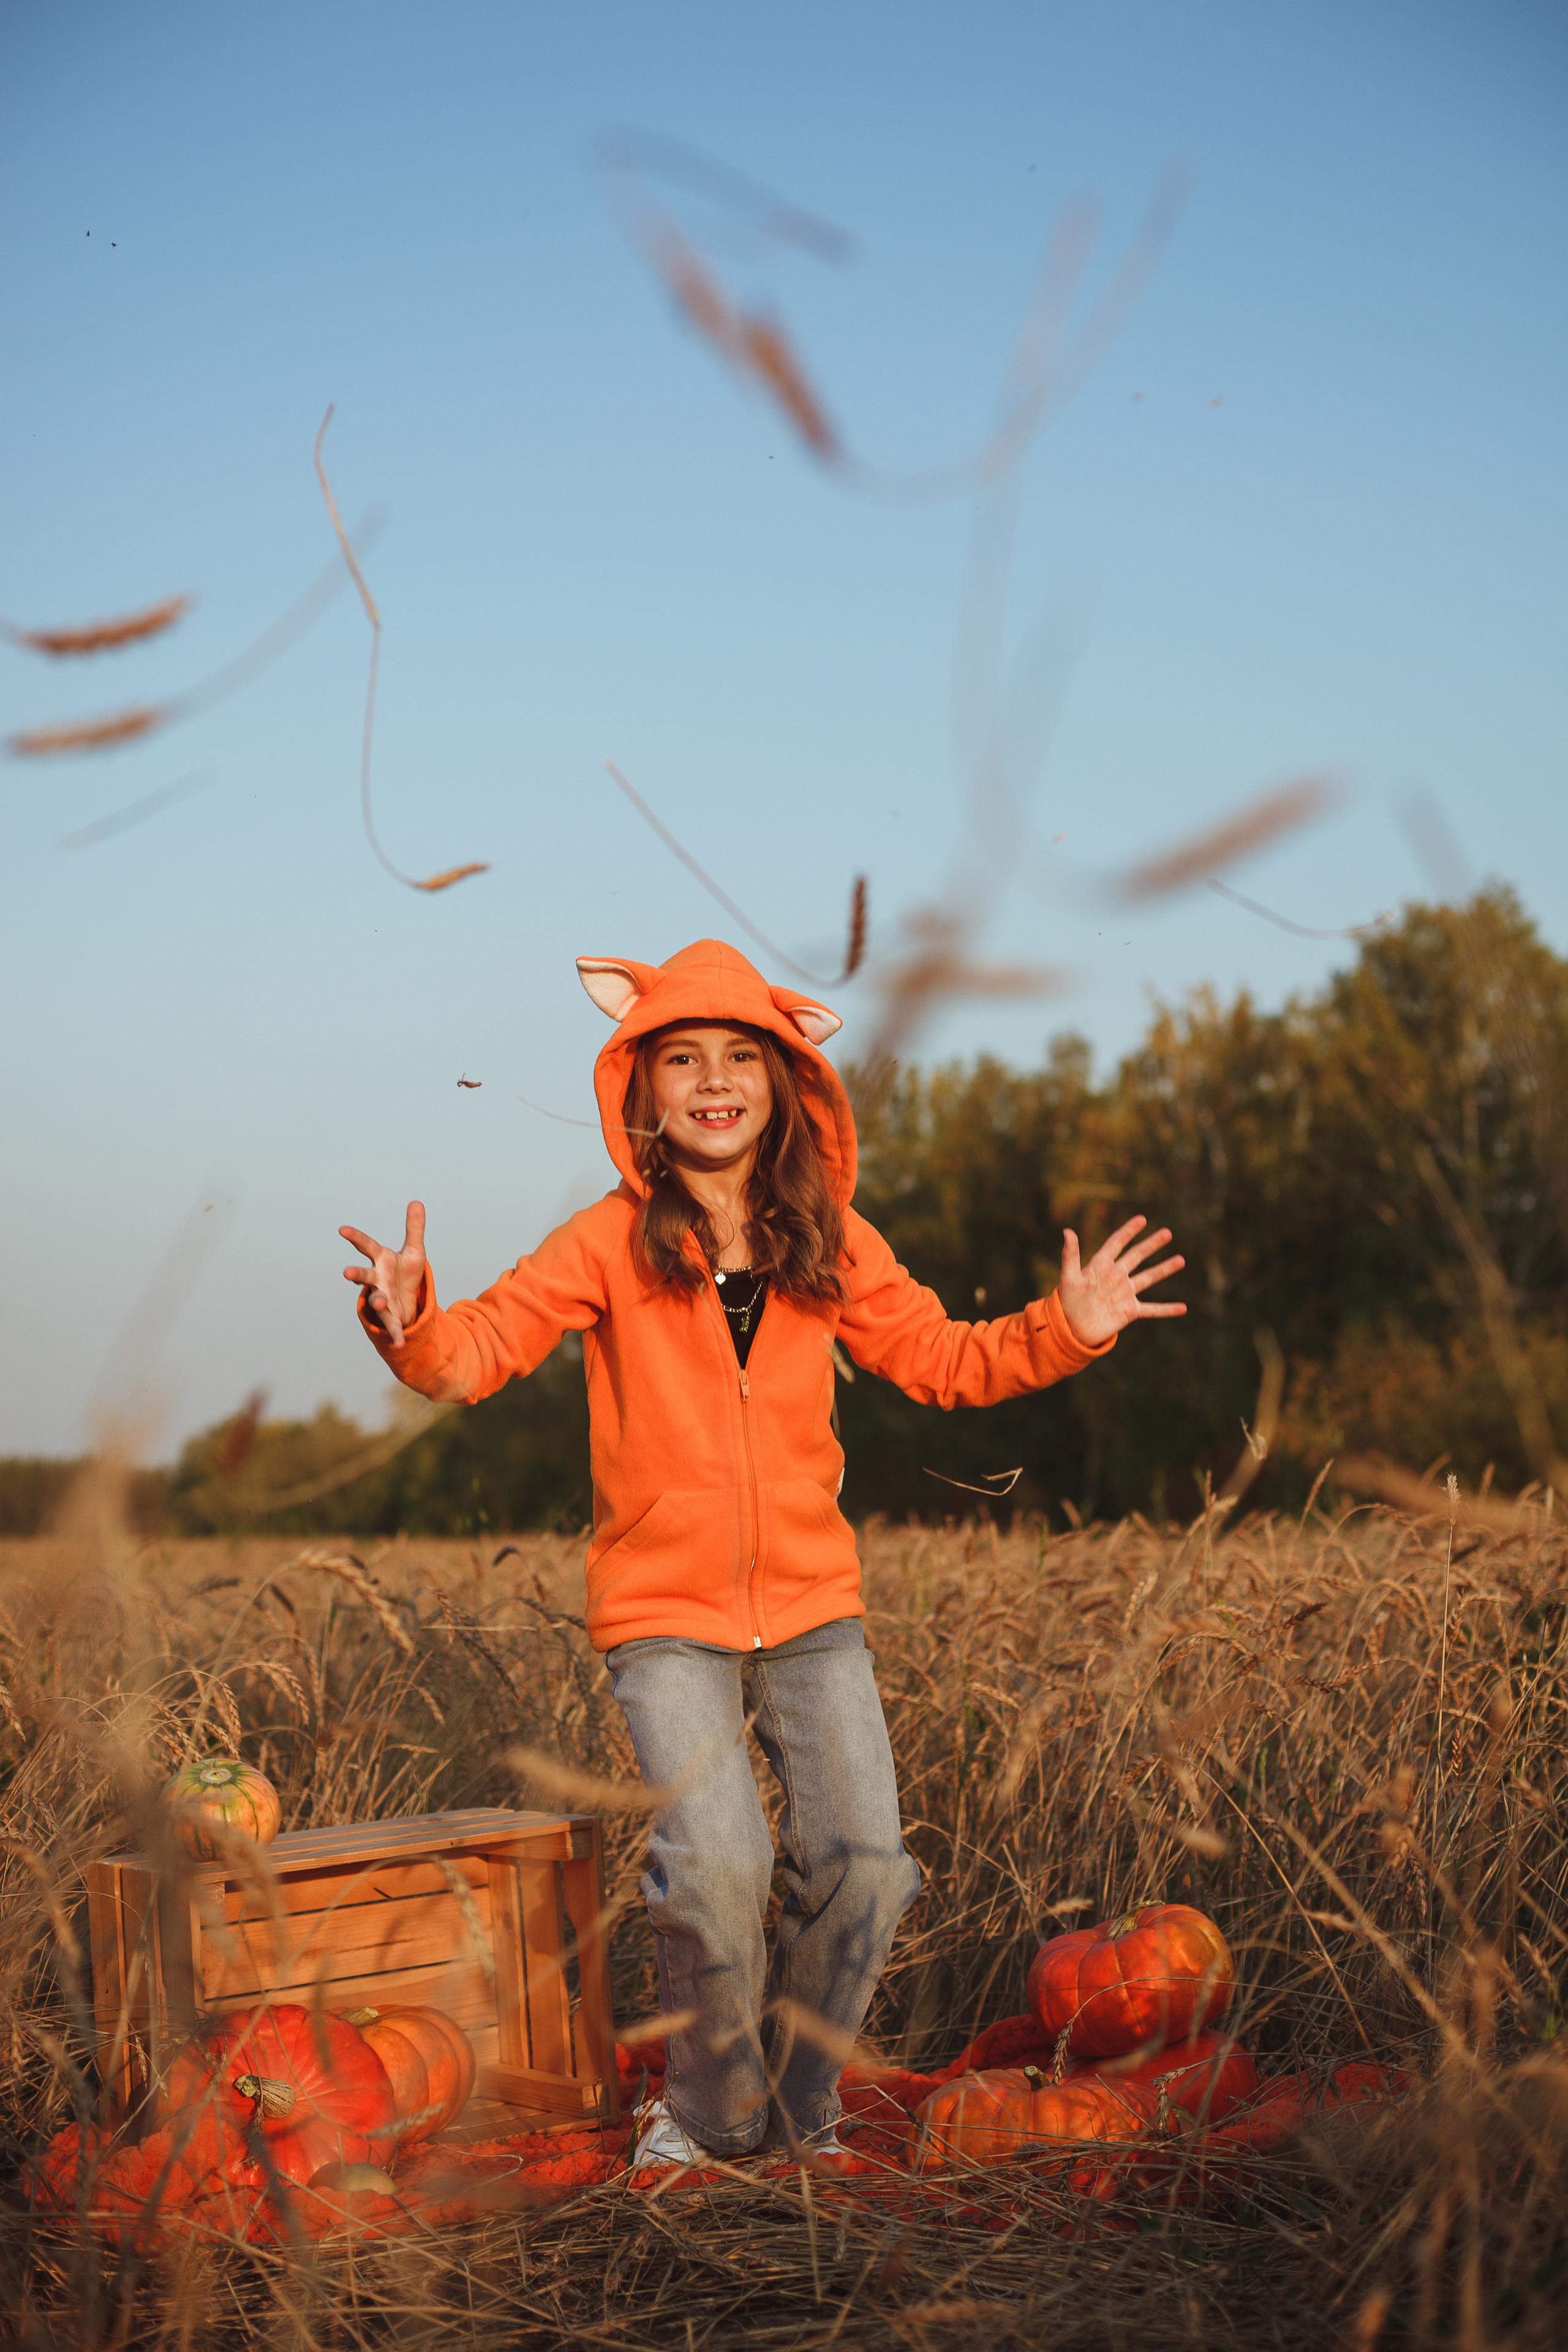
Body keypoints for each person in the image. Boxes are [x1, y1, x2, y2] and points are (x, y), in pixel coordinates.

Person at [339, 938, 1185, 2175]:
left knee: (865, 1867)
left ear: (789, 1082)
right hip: (662, 1609)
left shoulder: (833, 1240)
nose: (712, 1080)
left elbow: (946, 1360)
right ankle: (706, 2117)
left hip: (809, 1606)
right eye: (680, 1058)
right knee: (717, 1864)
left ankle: (794, 2111)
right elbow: (477, 1350)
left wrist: (1067, 1330)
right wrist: (412, 1323)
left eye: (741, 1056)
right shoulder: (603, 1243)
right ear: (640, 1088)